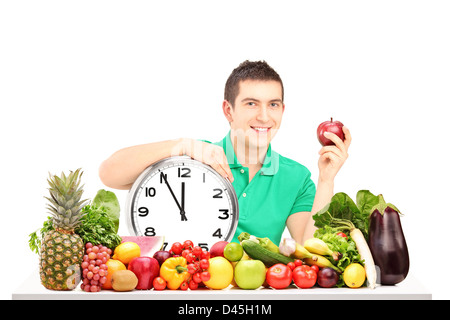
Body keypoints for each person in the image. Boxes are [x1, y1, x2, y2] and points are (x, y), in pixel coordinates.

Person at [99, 60, 351, 245]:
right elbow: (109, 174)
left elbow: (311, 248)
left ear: (282, 111)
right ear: (228, 111)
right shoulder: (196, 157)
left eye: (272, 105)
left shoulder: (296, 178)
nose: (264, 116)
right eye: (251, 103)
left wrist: (326, 179)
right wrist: (184, 145)